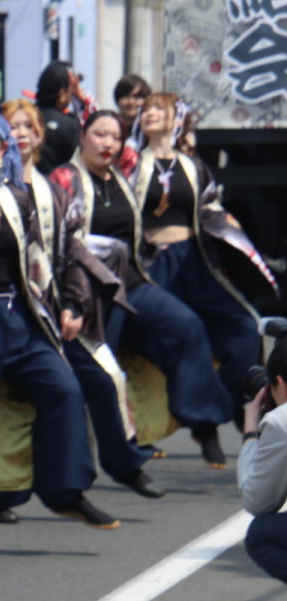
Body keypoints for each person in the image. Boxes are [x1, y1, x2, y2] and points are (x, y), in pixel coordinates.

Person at [0, 96, 117, 528]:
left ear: (2, 148)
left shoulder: (17, 199)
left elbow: (41, 261)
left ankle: (65, 491)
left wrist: (70, 303)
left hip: (19, 315)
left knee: (65, 389)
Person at [50, 111, 235, 469]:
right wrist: (71, 301)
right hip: (90, 294)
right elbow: (59, 241)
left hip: (132, 286)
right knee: (99, 372)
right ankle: (97, 455)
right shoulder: (64, 179)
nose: (107, 143)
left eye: (115, 137)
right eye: (99, 134)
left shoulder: (123, 177)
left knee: (186, 328)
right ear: (83, 137)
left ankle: (204, 423)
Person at [2, 97, 164, 499]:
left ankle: (121, 465)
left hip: (52, 311)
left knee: (101, 378)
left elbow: (72, 251)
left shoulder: (50, 190)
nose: (20, 134)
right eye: (11, 126)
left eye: (28, 127)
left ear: (41, 135)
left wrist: (74, 304)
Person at [131, 92, 273, 433]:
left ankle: (222, 404)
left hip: (193, 261)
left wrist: (232, 234)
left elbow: (210, 209)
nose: (150, 113)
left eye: (159, 108)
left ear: (176, 118)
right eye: (146, 108)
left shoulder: (192, 166)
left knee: (245, 328)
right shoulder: (131, 163)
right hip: (152, 265)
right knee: (175, 333)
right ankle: (200, 419)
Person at [239, 339, 287, 583]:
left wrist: (250, 433)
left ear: (280, 382)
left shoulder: (281, 421)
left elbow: (258, 502)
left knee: (261, 534)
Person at [35, 61, 79, 174]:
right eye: (70, 91)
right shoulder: (69, 124)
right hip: (57, 182)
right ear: (62, 94)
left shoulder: (25, 117)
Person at [113, 74, 151, 142]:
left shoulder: (151, 131)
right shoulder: (110, 129)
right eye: (125, 96)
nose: (131, 102)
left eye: (137, 97)